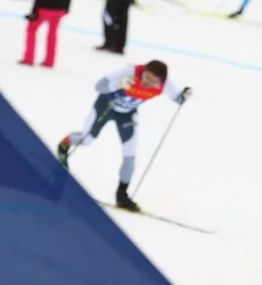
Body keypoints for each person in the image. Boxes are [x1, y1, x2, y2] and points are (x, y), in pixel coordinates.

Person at [56, 61, 191, 211]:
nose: (147, 83)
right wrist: (118, 86)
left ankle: (122, 195)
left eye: (153, 82)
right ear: (143, 71)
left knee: (130, 151)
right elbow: (99, 86)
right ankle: (64, 146)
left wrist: (184, 96)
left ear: (161, 81)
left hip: (126, 114)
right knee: (86, 140)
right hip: (106, 106)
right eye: (146, 77)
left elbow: (178, 98)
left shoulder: (165, 85)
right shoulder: (130, 71)